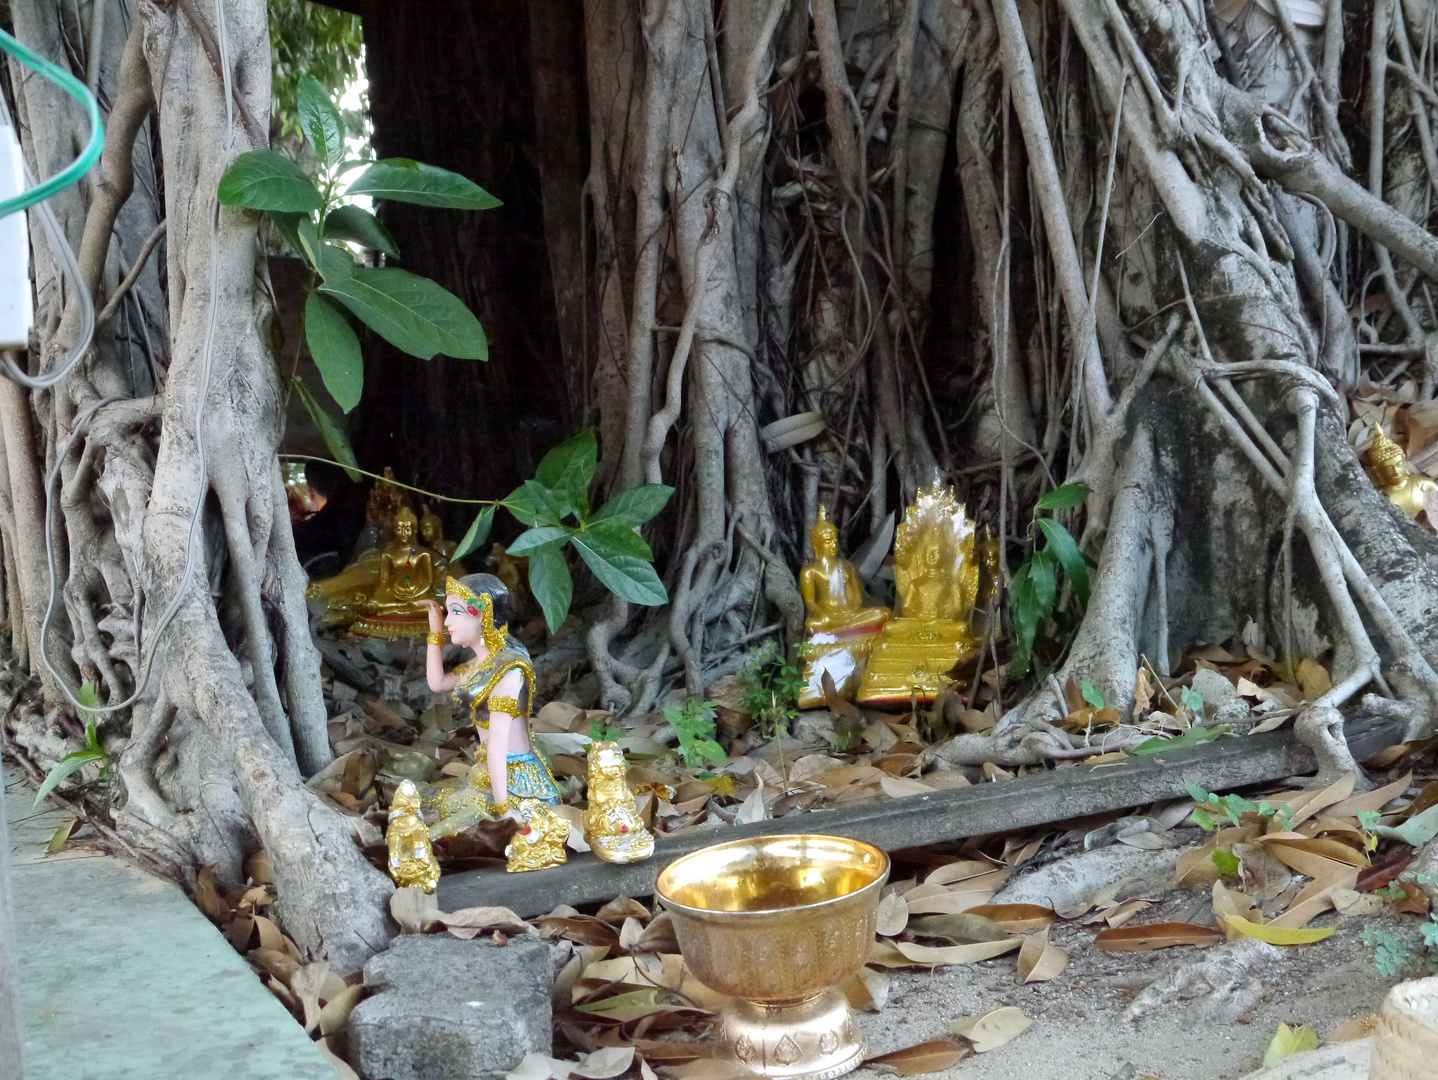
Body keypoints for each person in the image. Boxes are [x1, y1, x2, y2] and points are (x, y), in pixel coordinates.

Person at [421, 573, 561, 824]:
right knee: (427, 800)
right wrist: (434, 635)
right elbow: (438, 683)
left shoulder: (507, 670)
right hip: (487, 772)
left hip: (515, 782)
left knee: (447, 816)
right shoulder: (478, 665)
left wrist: (505, 811)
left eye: (455, 611)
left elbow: (498, 745)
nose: (447, 621)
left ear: (481, 614)